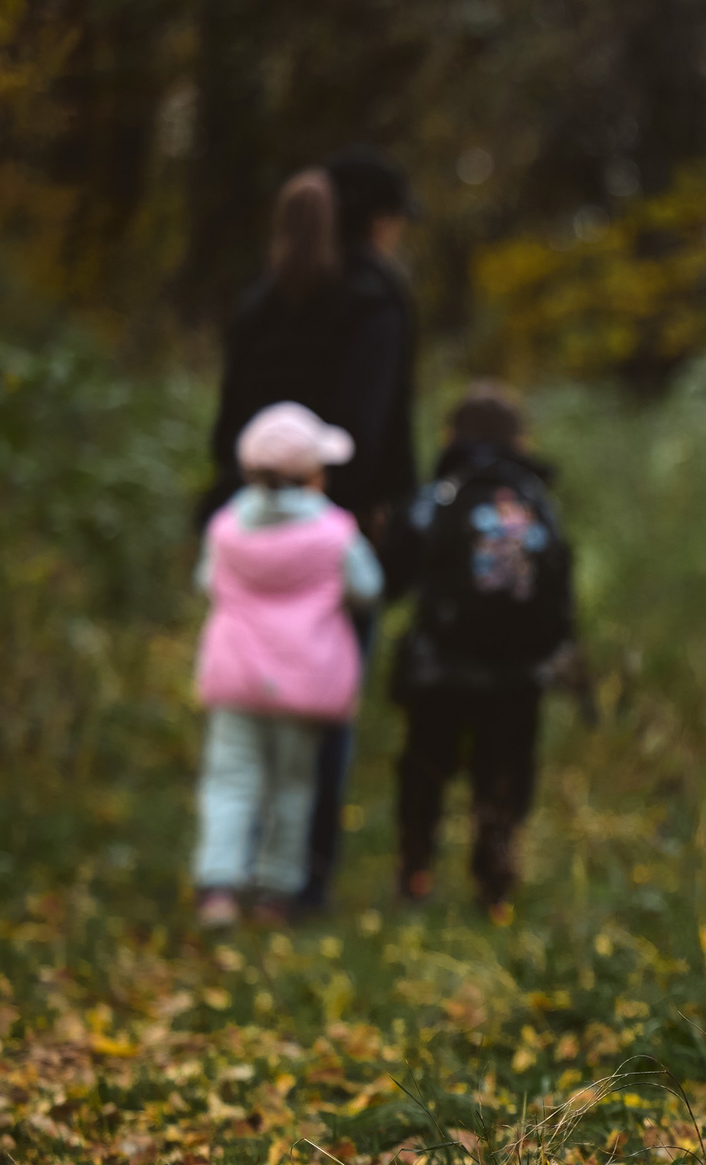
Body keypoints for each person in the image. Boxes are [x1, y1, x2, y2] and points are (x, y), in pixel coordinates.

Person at [199, 149, 421, 916]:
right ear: (376, 222)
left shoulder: (261, 301)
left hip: (249, 528)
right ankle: (296, 881)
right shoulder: (376, 304)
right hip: (344, 532)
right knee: (319, 719)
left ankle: (226, 874)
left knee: (240, 743)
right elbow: (374, 428)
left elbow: (226, 426)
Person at [191, 404, 386, 927]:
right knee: (292, 787)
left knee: (229, 780)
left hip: (236, 676)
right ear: (314, 474)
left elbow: (207, 581)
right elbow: (368, 589)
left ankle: (218, 886)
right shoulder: (335, 531)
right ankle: (275, 893)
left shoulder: (227, 527)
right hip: (306, 681)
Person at [392, 384, 576, 923]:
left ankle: (416, 867)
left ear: (452, 434)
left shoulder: (441, 494)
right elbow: (560, 580)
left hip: (442, 664)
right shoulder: (535, 497)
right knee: (503, 771)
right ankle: (495, 879)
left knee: (426, 766)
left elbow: (398, 568)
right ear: (519, 438)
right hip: (520, 669)